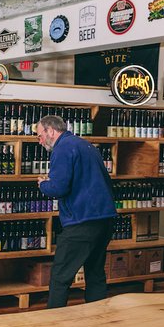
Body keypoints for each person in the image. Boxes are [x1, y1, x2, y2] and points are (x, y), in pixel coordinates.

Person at [36, 115, 116, 308]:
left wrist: (43, 184)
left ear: (50, 131)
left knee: (60, 276)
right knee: (95, 273)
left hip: (82, 221)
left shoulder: (63, 149)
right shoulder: (85, 145)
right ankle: (98, 316)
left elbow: (59, 188)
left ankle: (54, 320)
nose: (39, 141)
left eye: (40, 136)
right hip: (105, 219)